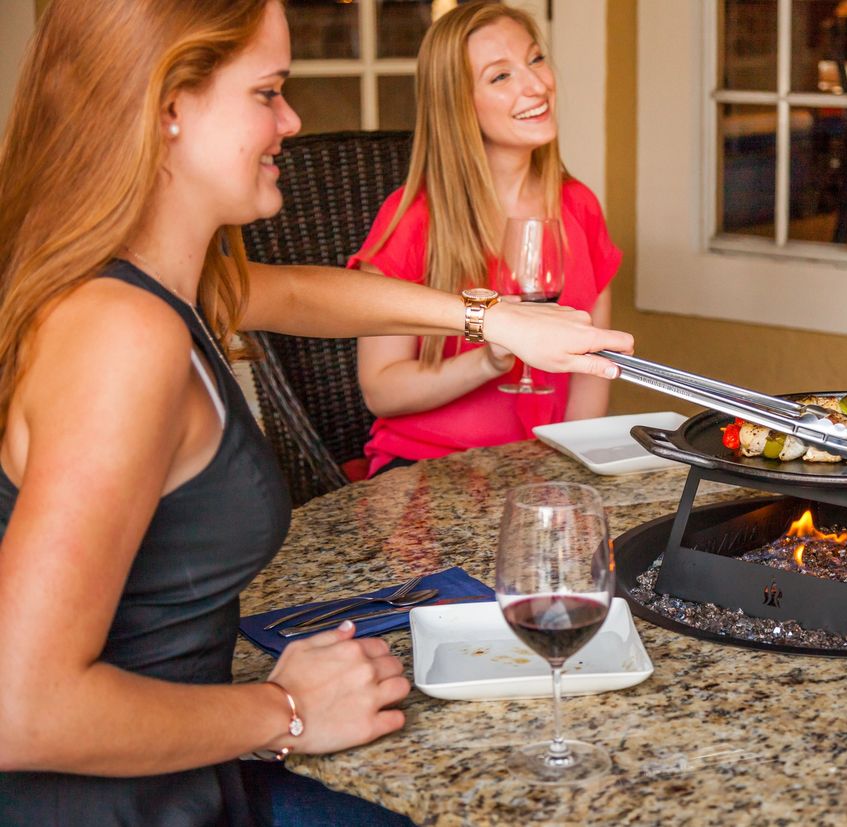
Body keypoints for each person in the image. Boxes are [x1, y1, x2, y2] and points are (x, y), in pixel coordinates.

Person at [0, 1, 631, 824]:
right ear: (169, 109)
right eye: (268, 92)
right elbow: (23, 709)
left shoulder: (169, 287)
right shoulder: (120, 336)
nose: (292, 121)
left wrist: (491, 318)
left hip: (188, 771)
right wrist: (284, 711)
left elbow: (299, 292)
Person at [349, 3, 621, 477]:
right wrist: (491, 360)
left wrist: (574, 472)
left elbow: (592, 370)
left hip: (544, 468)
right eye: (500, 77)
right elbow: (381, 390)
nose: (536, 86)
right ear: (458, 104)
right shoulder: (413, 220)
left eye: (535, 60)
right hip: (427, 468)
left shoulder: (579, 206)